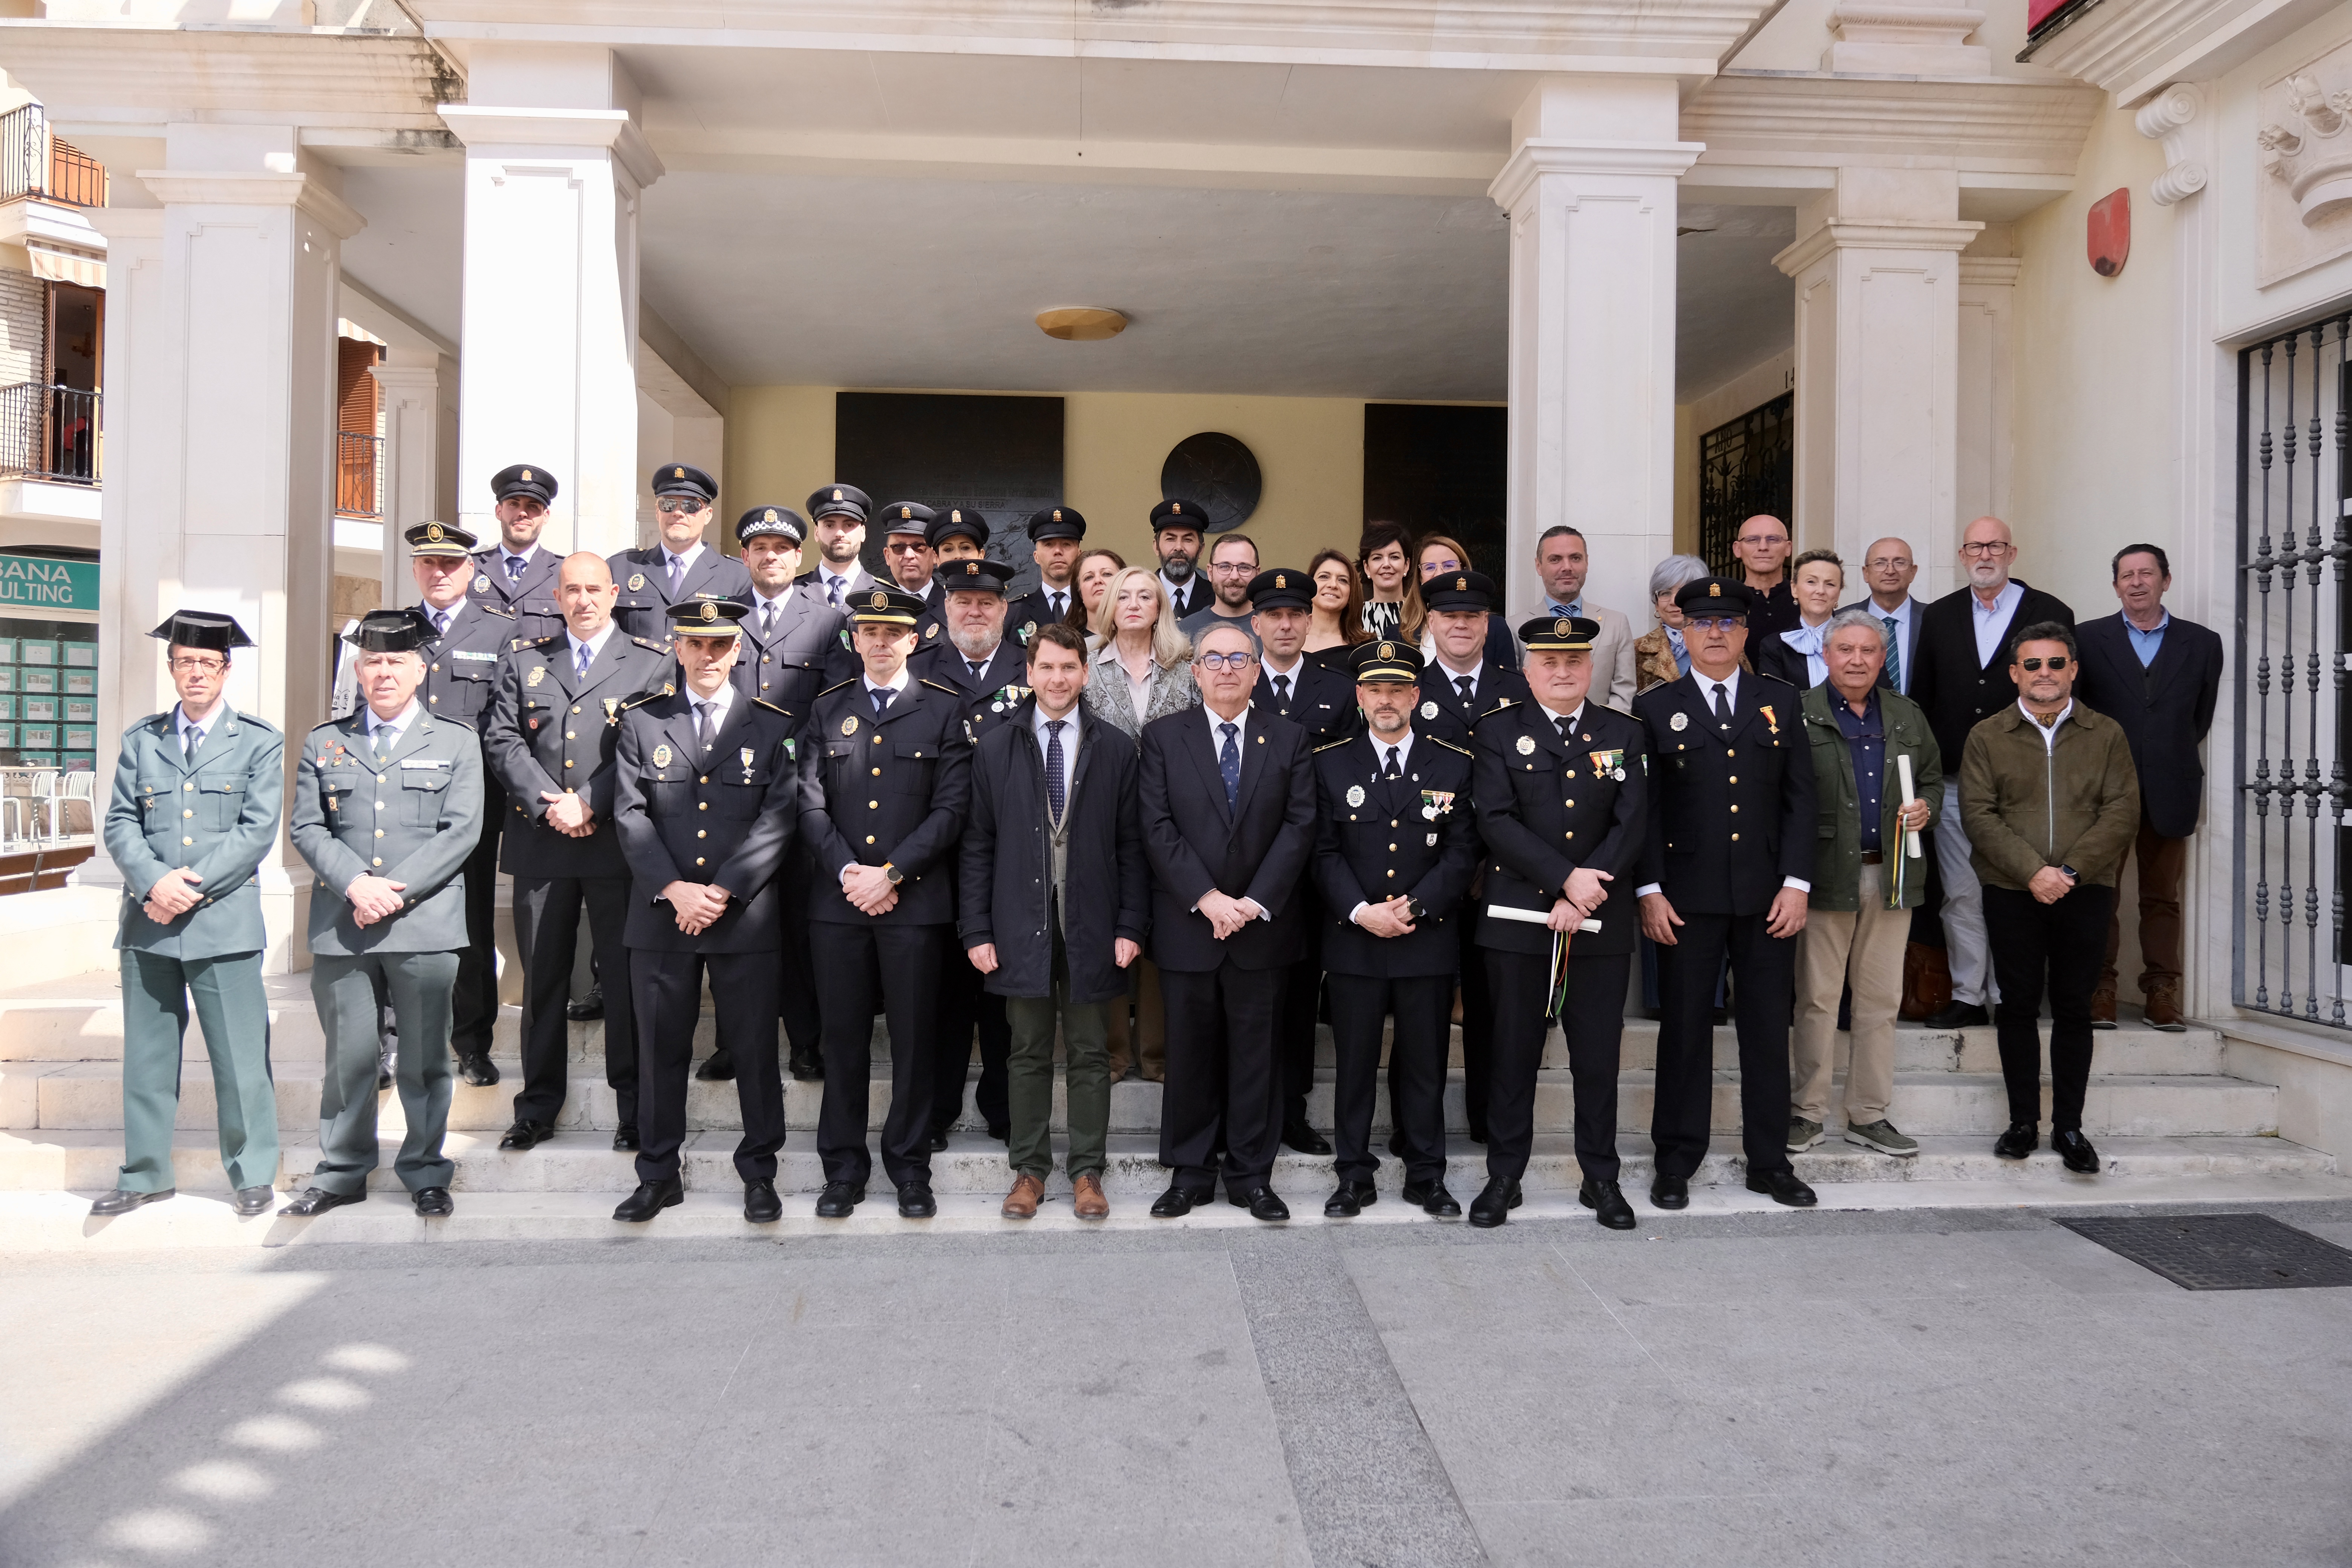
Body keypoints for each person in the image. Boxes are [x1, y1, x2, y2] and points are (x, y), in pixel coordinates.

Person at [280, 608, 482, 1219]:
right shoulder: (326, 740)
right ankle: (342, 1172)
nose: (384, 673)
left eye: (397, 661)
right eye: (373, 662)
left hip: (423, 925)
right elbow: (307, 827)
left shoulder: (456, 741)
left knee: (424, 1059)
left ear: (421, 670)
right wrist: (356, 885)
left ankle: (425, 1170)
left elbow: (461, 831)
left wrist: (393, 892)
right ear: (359, 671)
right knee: (349, 1059)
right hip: (345, 927)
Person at [609, 598, 802, 1223]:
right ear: (679, 648)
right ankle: (658, 1173)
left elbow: (779, 818)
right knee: (659, 1051)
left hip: (741, 916)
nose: (709, 656)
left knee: (754, 1051)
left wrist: (721, 891)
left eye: (720, 645)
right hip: (662, 916)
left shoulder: (770, 725)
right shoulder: (643, 722)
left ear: (737, 650)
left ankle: (760, 1173)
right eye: (697, 644)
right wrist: (674, 888)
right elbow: (629, 814)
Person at [1633, 577, 1820, 1211]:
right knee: (1684, 1031)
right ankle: (1675, 1161)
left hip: (1768, 897)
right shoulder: (1656, 707)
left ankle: (1770, 1162)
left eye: (1727, 623)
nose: (1715, 633)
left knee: (1766, 1032)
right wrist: (1649, 889)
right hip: (1686, 898)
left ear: (1745, 633)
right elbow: (1646, 810)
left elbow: (1801, 800)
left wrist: (1797, 884)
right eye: (1702, 623)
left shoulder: (1781, 701)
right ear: (1682, 632)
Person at [91, 611, 284, 1220]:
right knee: (148, 1060)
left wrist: (185, 889)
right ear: (171, 668)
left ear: (225, 670)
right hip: (149, 923)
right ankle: (145, 1173)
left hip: (223, 923)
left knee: (241, 1058)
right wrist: (155, 882)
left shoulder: (258, 740)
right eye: (184, 662)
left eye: (207, 663)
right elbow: (121, 823)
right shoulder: (142, 740)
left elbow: (256, 831)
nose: (195, 672)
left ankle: (252, 1172)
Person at [482, 553, 673, 1154]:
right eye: (572, 590)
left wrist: (590, 801)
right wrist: (549, 806)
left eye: (594, 589)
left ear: (614, 594)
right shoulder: (526, 660)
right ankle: (537, 1107)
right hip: (542, 843)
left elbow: (652, 745)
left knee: (623, 981)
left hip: (618, 846)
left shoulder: (650, 661)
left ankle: (632, 1108)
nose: (583, 600)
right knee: (543, 983)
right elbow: (503, 738)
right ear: (557, 597)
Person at [961, 621, 1148, 1221]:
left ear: (1085, 673)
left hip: (1095, 925)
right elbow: (977, 846)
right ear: (1029, 673)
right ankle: (1029, 1172)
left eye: (1069, 667)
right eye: (1047, 667)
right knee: (1027, 1052)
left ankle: (1088, 1173)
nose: (1058, 678)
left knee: (1091, 1052)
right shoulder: (996, 747)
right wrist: (977, 931)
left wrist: (1131, 925)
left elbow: (1133, 846)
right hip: (1020, 927)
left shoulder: (1115, 748)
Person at [797, 586, 974, 1219]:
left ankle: (909, 1167)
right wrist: (850, 872)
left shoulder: (944, 709)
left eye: (892, 632)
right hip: (838, 903)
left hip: (916, 906)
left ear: (912, 640)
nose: (879, 641)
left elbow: (952, 808)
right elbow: (808, 802)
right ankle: (843, 1170)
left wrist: (892, 874)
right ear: (855, 640)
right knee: (843, 1041)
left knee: (914, 1042)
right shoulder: (827, 709)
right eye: (869, 631)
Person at [1472, 613, 1648, 1228]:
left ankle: (1600, 1178)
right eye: (1550, 661)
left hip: (1597, 922)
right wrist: (1564, 880)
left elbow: (1632, 823)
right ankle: (1505, 1176)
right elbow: (1495, 819)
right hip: (1520, 919)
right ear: (1529, 670)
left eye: (1574, 661)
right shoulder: (1497, 732)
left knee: (1597, 1058)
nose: (1564, 671)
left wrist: (1583, 892)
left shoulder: (1624, 733)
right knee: (1512, 1054)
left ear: (1591, 666)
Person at [1138, 620, 1317, 1222]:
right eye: (1213, 659)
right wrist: (1209, 898)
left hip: (1263, 927)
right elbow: (1156, 826)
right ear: (1195, 672)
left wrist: (1252, 902)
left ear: (1257, 670)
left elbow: (1300, 826)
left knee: (1257, 1057)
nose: (1226, 670)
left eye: (1239, 659)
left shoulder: (1289, 738)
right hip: (1190, 925)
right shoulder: (1164, 737)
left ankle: (1250, 1176)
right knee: (1189, 1055)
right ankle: (1190, 1174)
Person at [1960, 622, 2140, 1173]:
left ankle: (2069, 1127)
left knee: (2073, 1006)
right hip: (2012, 889)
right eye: (2033, 664)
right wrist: (2033, 872)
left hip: (2085, 889)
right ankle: (2022, 1123)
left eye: (2056, 663)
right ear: (2015, 673)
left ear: (2073, 669)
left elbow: (2122, 810)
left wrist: (2070, 871)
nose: (2045, 673)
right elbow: (1978, 815)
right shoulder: (1987, 735)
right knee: (2016, 1004)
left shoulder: (2106, 733)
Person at [1313, 639, 1479, 1218]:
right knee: (1355, 1066)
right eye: (1376, 690)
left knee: (1425, 1065)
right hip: (1354, 939)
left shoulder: (1452, 763)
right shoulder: (1330, 762)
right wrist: (1363, 911)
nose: (1387, 700)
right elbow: (1322, 852)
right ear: (1359, 697)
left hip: (1424, 939)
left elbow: (1462, 853)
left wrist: (1415, 907)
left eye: (1397, 690)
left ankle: (1427, 1176)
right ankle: (1353, 1176)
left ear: (1416, 696)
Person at [1909, 516, 2074, 1028]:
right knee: (1961, 893)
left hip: (2027, 785)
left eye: (1996, 546)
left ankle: (2011, 996)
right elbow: (1922, 698)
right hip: (1956, 783)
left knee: (2018, 892)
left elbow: (2066, 695)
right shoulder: (1939, 615)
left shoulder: (2051, 611)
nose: (1985, 555)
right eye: (1976, 547)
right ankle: (1968, 994)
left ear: (2012, 552)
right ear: (1963, 555)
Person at [1790, 612, 1938, 1159]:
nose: (1857, 660)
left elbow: (1931, 778)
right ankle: (1807, 1113)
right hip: (1826, 874)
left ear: (1882, 658)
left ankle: (1869, 1114)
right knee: (1817, 999)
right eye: (1846, 650)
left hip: (1892, 874)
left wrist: (1928, 807)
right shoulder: (1799, 712)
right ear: (1826, 655)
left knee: (1880, 1000)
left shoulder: (1906, 714)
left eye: (1868, 650)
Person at [2073, 544, 2222, 1032]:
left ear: (2166, 580)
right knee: (2099, 894)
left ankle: (2161, 991)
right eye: (2127, 575)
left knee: (2163, 896)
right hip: (2103, 792)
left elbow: (2198, 719)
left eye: (2147, 573)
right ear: (2116, 585)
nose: (2137, 582)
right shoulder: (2087, 639)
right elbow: (2079, 715)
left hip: (2171, 787)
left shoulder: (2202, 643)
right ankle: (2101, 988)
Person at [725, 504, 847, 1085]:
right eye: (760, 549)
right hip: (732, 798)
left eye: (781, 549)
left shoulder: (827, 619)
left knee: (798, 926)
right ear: (744, 556)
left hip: (798, 797)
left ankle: (805, 1040)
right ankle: (733, 1042)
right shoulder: (721, 615)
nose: (770, 557)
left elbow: (836, 708)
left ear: (799, 556)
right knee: (735, 918)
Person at [913, 557, 1026, 1148]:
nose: (975, 611)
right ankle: (937, 1109)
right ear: (946, 607)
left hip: (1012, 856)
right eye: (963, 602)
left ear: (1004, 610)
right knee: (944, 994)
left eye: (986, 602)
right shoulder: (919, 667)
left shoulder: (1031, 666)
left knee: (1002, 990)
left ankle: (1004, 1107)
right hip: (937, 859)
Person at [1415, 568, 1530, 1146]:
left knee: (1492, 1003)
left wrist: (1496, 860)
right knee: (1425, 1006)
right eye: (1449, 616)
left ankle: (1488, 1118)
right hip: (1426, 871)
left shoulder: (1520, 688)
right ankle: (1418, 1127)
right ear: (1431, 623)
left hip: (1502, 875)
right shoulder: (1409, 687)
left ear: (1487, 624)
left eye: (1472, 616)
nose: (1460, 625)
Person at [1251, 567, 1358, 1156]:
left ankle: (1291, 1111)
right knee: (1249, 997)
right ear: (1257, 623)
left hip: (1313, 869)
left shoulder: (1337, 688)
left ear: (1309, 619)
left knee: (1297, 998)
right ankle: (1245, 1109)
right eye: (1275, 615)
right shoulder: (1235, 678)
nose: (1286, 625)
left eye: (1296, 614)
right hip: (1244, 868)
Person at [408, 521, 514, 1087]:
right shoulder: (394, 628)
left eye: (450, 563)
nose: (439, 572)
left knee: (471, 922)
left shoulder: (501, 631)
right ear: (415, 569)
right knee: (398, 918)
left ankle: (472, 1043)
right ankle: (395, 1038)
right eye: (429, 562)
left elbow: (506, 720)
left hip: (471, 801)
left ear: (471, 570)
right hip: (400, 802)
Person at [1086, 566, 1199, 1083]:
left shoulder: (1186, 666)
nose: (1134, 603)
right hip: (1103, 815)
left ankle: (1157, 1054)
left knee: (1162, 933)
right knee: (1109, 928)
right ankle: (1113, 1052)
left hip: (1173, 817)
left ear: (1160, 608)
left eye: (1145, 596)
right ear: (1110, 605)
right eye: (1124, 595)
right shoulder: (1086, 664)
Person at [609, 463, 753, 643]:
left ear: (708, 515)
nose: (678, 513)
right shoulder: (622, 568)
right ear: (658, 512)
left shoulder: (739, 576)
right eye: (668, 504)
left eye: (691, 506)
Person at [1522, 526, 1636, 711]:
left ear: (1587, 562)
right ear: (1539, 566)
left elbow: (1625, 691)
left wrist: (1601, 726)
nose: (1567, 567)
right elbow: (1517, 692)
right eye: (1555, 559)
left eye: (1575, 558)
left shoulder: (1617, 623)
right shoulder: (1515, 627)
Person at [469, 464, 566, 642]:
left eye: (533, 506)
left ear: (546, 516)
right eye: (514, 504)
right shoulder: (470, 569)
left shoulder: (564, 573)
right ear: (499, 511)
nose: (523, 513)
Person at [1415, 533, 1519, 671]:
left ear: (1463, 570)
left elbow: (1506, 680)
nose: (1439, 574)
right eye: (1429, 567)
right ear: (1420, 577)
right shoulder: (1401, 633)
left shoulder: (1495, 628)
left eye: (1449, 565)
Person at [1844, 537, 1923, 697]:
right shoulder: (1841, 621)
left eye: (1900, 563)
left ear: (1913, 572)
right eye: (1880, 563)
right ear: (1866, 573)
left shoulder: (1934, 619)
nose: (1890, 571)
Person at [1758, 548, 1845, 689]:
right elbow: (1774, 697)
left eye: (1830, 584)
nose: (1821, 591)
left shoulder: (1858, 641)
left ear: (1839, 593)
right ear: (1794, 589)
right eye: (1811, 582)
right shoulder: (1774, 647)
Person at [1634, 554, 1710, 694]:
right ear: (1656, 604)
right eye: (1665, 593)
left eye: (1683, 593)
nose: (1673, 601)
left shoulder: (1722, 643)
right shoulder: (1636, 651)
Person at [1007, 505, 1087, 636]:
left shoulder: (1091, 608)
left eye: (1066, 544)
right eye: (1048, 545)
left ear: (1079, 555)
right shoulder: (1015, 612)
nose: (1058, 551)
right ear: (1036, 557)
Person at [877, 502, 946, 649]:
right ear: (888, 556)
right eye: (899, 547)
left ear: (935, 555)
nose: (909, 555)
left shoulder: (953, 606)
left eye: (919, 547)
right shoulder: (874, 607)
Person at [800, 483, 880, 609]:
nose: (839, 533)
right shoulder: (791, 592)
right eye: (830, 526)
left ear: (863, 533)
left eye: (849, 525)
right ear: (817, 533)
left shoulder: (885, 594)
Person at [1178, 533, 1260, 645]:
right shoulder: (1184, 632)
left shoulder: (1272, 628)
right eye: (1225, 567)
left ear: (1257, 573)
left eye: (1244, 568)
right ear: (1210, 573)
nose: (1234, 576)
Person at [1730, 514, 1799, 639]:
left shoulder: (1805, 599)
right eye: (1753, 540)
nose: (1763, 547)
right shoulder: (1729, 601)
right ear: (1738, 549)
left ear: (1788, 548)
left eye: (1773, 539)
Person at [1358, 522, 1423, 645]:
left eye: (1394, 557)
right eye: (1377, 558)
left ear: (1407, 565)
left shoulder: (1421, 614)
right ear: (1367, 567)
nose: (1386, 564)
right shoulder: (1353, 617)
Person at [1303, 548, 1372, 666]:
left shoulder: (1365, 648)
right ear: (1310, 585)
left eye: (1343, 580)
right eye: (1324, 577)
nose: (1333, 585)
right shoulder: (1289, 638)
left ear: (1351, 593)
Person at [1150, 499, 1214, 619]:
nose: (1179, 547)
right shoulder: (1140, 595)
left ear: (1201, 549)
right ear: (1156, 547)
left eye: (1188, 540)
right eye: (1171, 539)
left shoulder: (1217, 598)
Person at [1066, 544, 1122, 636]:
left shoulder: (1144, 637)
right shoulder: (1069, 643)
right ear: (1080, 594)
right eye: (1089, 577)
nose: (1098, 581)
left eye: (1107, 574)